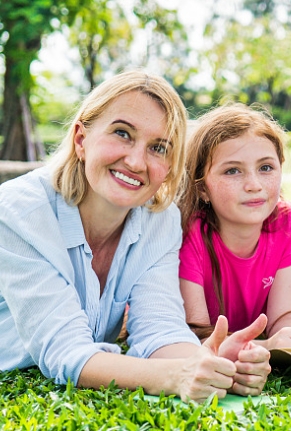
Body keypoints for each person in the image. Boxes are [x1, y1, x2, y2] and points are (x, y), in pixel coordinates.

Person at [0, 70, 271, 402]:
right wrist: (173, 376)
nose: (136, 161)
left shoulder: (160, 220)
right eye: (122, 133)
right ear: (81, 140)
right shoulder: (20, 212)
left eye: (159, 148)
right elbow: (65, 352)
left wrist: (208, 363)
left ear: (171, 167)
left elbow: (160, 327)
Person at [177, 104, 291, 354]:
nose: (254, 185)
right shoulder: (189, 234)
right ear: (202, 189)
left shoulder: (284, 222)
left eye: (265, 168)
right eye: (232, 171)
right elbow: (191, 335)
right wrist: (266, 346)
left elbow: (283, 316)